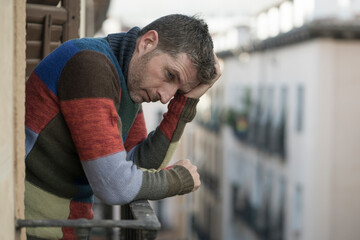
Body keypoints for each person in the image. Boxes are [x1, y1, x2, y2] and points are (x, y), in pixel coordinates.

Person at [25, 14, 221, 239]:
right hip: (30, 228)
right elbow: (114, 184)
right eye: (169, 75)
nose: (166, 97)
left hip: (61, 229)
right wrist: (178, 179)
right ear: (147, 43)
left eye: (177, 91)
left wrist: (187, 102)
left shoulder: (125, 81)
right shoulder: (91, 67)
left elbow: (139, 164)